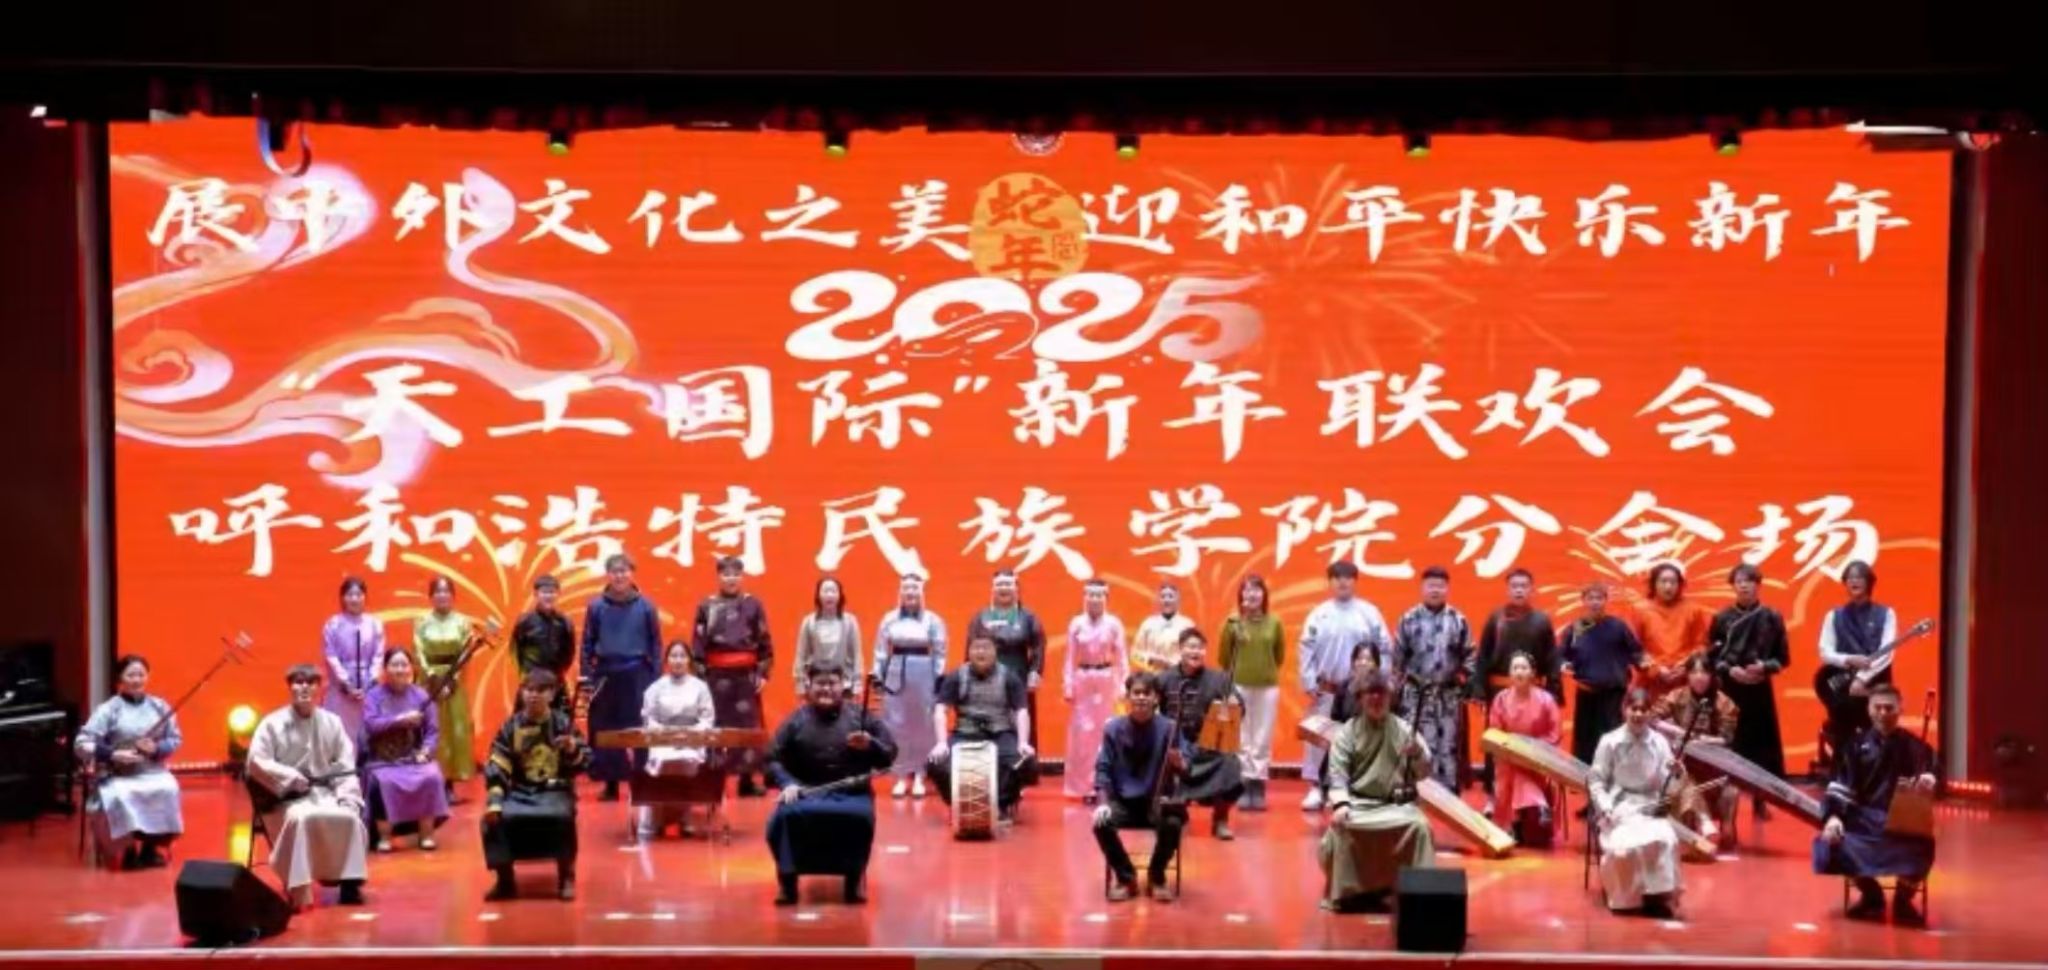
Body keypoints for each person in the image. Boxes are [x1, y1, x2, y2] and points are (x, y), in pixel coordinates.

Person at [766, 667, 898, 905]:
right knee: (784, 817)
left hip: (851, 793)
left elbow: (889, 754)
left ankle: (854, 878)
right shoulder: (796, 720)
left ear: (843, 685)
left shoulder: (861, 717)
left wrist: (871, 745)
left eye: (832, 683)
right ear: (809, 686)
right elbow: (772, 757)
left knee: (859, 816)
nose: (826, 689)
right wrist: (788, 784)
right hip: (805, 791)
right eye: (820, 683)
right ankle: (787, 882)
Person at [247, 664, 369, 909]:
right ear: (290, 687)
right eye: (298, 682)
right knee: (302, 819)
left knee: (349, 817)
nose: (304, 688)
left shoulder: (332, 723)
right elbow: (256, 762)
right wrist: (291, 778)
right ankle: (300, 890)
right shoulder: (271, 724)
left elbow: (345, 765)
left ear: (320, 688)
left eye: (310, 683)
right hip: (285, 799)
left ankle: (349, 882)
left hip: (324, 793)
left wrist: (348, 798)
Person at [1814, 684, 1937, 925]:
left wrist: (1930, 779)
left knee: (1923, 845)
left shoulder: (1916, 747)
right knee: (1830, 843)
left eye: (1889, 708)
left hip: (1902, 822)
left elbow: (1935, 775)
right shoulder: (1853, 746)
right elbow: (1840, 786)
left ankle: (1903, 899)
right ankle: (1871, 895)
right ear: (1869, 710)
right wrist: (1834, 817)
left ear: (1900, 710)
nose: (1883, 713)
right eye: (1877, 708)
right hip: (1863, 821)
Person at [1317, 671, 1434, 913]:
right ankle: (1348, 894)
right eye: (1371, 693)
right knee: (1341, 827)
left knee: (1420, 827)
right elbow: (1337, 775)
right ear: (1360, 698)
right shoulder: (1347, 733)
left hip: (1395, 804)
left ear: (1391, 698)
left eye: (1382, 693)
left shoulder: (1404, 730)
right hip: (1358, 804)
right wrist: (1341, 804)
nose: (1377, 699)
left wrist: (1417, 754)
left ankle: (1420, 895)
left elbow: (1423, 773)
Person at [482, 669, 589, 901]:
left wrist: (571, 749)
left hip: (555, 789)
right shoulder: (511, 726)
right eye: (529, 689)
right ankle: (505, 880)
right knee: (493, 819)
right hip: (520, 790)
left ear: (552, 694)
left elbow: (585, 764)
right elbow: (498, 762)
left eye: (540, 690)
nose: (533, 695)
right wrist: (495, 800)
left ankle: (566, 876)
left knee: (562, 816)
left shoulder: (563, 723)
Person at [1298, 562, 1392, 811]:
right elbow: (1306, 647)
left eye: (1348, 577)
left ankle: (1352, 788)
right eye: (1337, 578)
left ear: (1355, 581)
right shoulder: (1319, 614)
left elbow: (1384, 648)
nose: (1343, 582)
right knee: (1320, 740)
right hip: (1328, 689)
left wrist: (1381, 682)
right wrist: (1308, 680)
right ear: (1330, 582)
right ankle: (1315, 787)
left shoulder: (1369, 613)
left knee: (1357, 742)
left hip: (1361, 693)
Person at [1091, 672, 1191, 903]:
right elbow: (1103, 768)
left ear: (1156, 698)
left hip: (1157, 803)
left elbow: (1187, 769)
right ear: (1128, 697)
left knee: (1173, 823)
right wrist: (1103, 801)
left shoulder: (1170, 728)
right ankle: (1127, 878)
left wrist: (1180, 763)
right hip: (1124, 802)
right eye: (1136, 693)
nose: (1141, 698)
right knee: (1101, 823)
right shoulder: (1113, 728)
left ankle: (1157, 876)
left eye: (1147, 693)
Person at [77, 654, 183, 870]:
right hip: (117, 774)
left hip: (151, 771)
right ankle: (128, 850)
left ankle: (150, 849)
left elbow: (174, 739)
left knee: (168, 788)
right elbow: (82, 743)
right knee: (121, 795)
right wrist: (113, 754)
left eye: (141, 675)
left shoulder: (159, 706)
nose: (137, 680)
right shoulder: (108, 709)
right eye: (131, 675)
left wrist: (156, 748)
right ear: (120, 678)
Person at [1588, 688, 1683, 917]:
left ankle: (1657, 896)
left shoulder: (1660, 742)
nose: (1638, 714)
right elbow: (1596, 781)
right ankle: (1626, 899)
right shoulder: (1609, 741)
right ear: (1624, 710)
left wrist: (1676, 774)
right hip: (1619, 804)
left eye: (1644, 709)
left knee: (1665, 840)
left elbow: (1667, 785)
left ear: (1650, 713)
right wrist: (1605, 807)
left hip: (1650, 804)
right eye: (1634, 709)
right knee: (1624, 848)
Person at [1469, 568, 1561, 804]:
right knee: (1497, 743)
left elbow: (1552, 658)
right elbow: (1483, 656)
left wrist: (1554, 691)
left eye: (1524, 586)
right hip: (1500, 693)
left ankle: (1531, 798)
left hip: (1533, 696)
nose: (1519, 590)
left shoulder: (1541, 621)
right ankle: (1494, 795)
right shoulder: (1496, 619)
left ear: (1532, 590)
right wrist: (1478, 688)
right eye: (1514, 586)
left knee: (1530, 745)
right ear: (1507, 589)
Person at [1708, 563, 1792, 818]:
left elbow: (1783, 658)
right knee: (1730, 743)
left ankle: (1761, 799)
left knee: (1761, 746)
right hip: (1730, 690)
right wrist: (1729, 669)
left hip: (1759, 691)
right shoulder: (1722, 618)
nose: (1744, 585)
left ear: (1758, 584)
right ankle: (1725, 805)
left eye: (1749, 580)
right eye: (1739, 581)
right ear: (1733, 586)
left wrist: (1764, 667)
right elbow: (1712, 656)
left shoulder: (1772, 617)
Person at [926, 633, 1034, 823]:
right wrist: (941, 743)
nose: (981, 652)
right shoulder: (956, 676)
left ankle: (1001, 804)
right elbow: (940, 709)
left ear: (995, 651)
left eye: (986, 647)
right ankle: (958, 804)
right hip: (965, 733)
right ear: (969, 651)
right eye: (976, 647)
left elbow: (1021, 711)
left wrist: (1023, 742)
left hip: (1000, 732)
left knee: (1026, 762)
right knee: (936, 763)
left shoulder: (1009, 677)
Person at [581, 553, 663, 801]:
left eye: (624, 571)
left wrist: (656, 677)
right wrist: (587, 676)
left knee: (641, 728)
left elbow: (655, 644)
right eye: (615, 571)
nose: (620, 576)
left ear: (631, 574)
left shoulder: (646, 606)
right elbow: (587, 643)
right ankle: (611, 784)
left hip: (637, 673)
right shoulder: (596, 607)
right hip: (606, 673)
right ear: (608, 575)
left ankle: (642, 780)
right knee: (607, 729)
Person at [691, 555, 774, 797]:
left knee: (747, 727)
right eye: (726, 574)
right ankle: (713, 781)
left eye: (736, 574)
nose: (731, 579)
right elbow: (698, 643)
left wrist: (762, 673)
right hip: (715, 676)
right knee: (715, 727)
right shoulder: (706, 606)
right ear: (719, 577)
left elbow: (764, 640)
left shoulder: (753, 604)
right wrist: (700, 675)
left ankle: (746, 781)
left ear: (742, 576)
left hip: (745, 676)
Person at [1157, 628, 1246, 840]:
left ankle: (1220, 819)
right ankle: (1178, 816)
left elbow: (1240, 710)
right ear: (1180, 649)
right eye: (1190, 646)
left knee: (1230, 761)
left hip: (1208, 746)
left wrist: (1234, 706)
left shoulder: (1220, 679)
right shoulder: (1164, 679)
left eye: (1200, 647)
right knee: (1160, 756)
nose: (1195, 652)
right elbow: (1154, 713)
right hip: (1175, 744)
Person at [1391, 565, 1472, 791]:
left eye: (1440, 586)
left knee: (1449, 746)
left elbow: (1470, 657)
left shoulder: (1458, 620)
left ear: (1447, 589)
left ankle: (1448, 794)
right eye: (1430, 585)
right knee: (1416, 744)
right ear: (1422, 588)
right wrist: (1397, 694)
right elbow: (1397, 660)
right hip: (1415, 697)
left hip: (1448, 696)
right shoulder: (1408, 619)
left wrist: (1461, 683)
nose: (1435, 590)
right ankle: (1415, 791)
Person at [360, 648, 449, 852]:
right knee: (382, 781)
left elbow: (432, 731)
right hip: (384, 759)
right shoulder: (374, 696)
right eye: (394, 665)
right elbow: (371, 725)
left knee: (432, 776)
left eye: (404, 665)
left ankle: (426, 833)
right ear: (385, 668)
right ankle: (385, 836)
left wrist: (426, 751)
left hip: (412, 757)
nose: (400, 669)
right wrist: (400, 720)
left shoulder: (421, 695)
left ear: (411, 668)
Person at [1651, 655, 1741, 846]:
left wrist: (1702, 741)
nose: (1699, 677)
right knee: (1684, 780)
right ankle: (1702, 824)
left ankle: (1720, 827)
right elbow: (1652, 718)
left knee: (1730, 791)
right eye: (1694, 672)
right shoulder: (1676, 696)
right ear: (1688, 675)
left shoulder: (1724, 703)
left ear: (1711, 675)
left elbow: (1727, 738)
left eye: (1704, 672)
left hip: (1714, 767)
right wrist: (1678, 732)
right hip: (1684, 764)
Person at [874, 574, 947, 799]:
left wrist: (938, 677)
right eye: (906, 588)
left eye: (915, 588)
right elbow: (880, 651)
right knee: (897, 723)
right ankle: (900, 775)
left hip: (923, 670)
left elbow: (940, 651)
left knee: (923, 723)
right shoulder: (889, 619)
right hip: (896, 670)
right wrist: (878, 675)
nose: (910, 593)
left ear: (921, 592)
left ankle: (920, 775)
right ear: (900, 592)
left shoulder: (932, 620)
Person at [1816, 560, 1898, 761]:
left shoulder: (1886, 614)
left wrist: (1862, 678)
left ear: (1869, 582)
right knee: (1843, 737)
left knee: (1877, 737)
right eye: (1850, 578)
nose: (1854, 581)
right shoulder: (1833, 616)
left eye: (1859, 577)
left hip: (1874, 684)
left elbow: (1887, 652)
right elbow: (1825, 651)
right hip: (1844, 688)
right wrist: (1848, 659)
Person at [1561, 582, 1645, 765]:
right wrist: (1563, 664)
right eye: (1590, 598)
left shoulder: (1618, 627)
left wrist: (1645, 664)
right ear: (1583, 601)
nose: (1595, 602)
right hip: (1586, 692)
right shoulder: (1577, 628)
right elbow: (1561, 654)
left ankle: (1614, 773)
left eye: (1599, 598)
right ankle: (1580, 774)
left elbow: (1636, 652)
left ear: (1606, 600)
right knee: (1584, 739)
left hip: (1613, 694)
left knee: (1611, 737)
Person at [638, 640, 715, 839]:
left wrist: (689, 736)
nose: (678, 660)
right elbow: (649, 719)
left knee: (686, 760)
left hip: (691, 741)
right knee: (663, 760)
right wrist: (666, 735)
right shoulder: (655, 688)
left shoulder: (700, 687)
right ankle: (658, 819)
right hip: (662, 740)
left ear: (689, 660)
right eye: (674, 656)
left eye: (682, 656)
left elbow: (707, 719)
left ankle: (684, 818)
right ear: (667, 660)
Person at [1220, 574, 1284, 810]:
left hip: (1267, 687)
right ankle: (1244, 783)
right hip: (1239, 685)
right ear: (1241, 595)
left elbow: (1279, 655)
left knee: (1262, 736)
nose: (1252, 594)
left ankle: (1258, 784)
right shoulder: (1232, 622)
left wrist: (1263, 671)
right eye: (1247, 590)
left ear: (1264, 594)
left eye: (1257, 589)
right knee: (1242, 737)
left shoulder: (1274, 622)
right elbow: (1223, 657)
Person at [965, 569, 1048, 748]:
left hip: (1018, 675)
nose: (1004, 588)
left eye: (1008, 584)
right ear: (992, 588)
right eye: (999, 584)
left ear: (1016, 588)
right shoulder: (981, 617)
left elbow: (1038, 646)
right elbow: (970, 648)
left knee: (1020, 722)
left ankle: (1022, 760)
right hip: (986, 677)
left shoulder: (1027, 617)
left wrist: (1035, 671)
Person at [1063, 579, 1129, 801]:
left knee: (1108, 730)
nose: (1094, 599)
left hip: (1107, 679)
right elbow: (1070, 658)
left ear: (1105, 598)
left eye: (1099, 595)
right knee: (1082, 735)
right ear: (1085, 597)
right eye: (1090, 595)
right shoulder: (1076, 624)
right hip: (1083, 679)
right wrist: (1068, 685)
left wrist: (1124, 684)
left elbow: (1122, 657)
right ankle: (1083, 787)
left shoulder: (1114, 624)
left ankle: (1107, 784)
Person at [1486, 652, 1563, 842]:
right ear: (1510, 673)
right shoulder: (1501, 699)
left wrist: (1533, 749)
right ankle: (1535, 805)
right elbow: (1495, 730)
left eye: (1523, 668)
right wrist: (1509, 747)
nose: (1519, 672)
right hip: (1508, 754)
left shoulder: (1546, 700)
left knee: (1522, 771)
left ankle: (1523, 816)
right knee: (1513, 769)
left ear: (1533, 673)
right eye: (1515, 668)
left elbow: (1555, 732)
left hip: (1537, 756)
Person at [413, 575, 477, 787]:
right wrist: (432, 678)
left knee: (454, 729)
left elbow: (466, 653)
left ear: (453, 595)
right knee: (433, 728)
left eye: (446, 591)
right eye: (437, 591)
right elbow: (418, 651)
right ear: (431, 596)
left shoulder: (462, 622)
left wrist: (451, 681)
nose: (442, 595)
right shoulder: (421, 622)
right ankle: (431, 778)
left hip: (453, 683)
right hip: (430, 683)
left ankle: (450, 780)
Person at [321, 576, 385, 745]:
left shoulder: (374, 624)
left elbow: (378, 655)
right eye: (350, 595)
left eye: (358, 594)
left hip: (367, 686)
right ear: (343, 598)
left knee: (366, 734)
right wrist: (345, 683)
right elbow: (330, 655)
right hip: (340, 687)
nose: (354, 599)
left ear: (365, 597)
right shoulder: (333, 624)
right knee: (339, 733)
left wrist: (370, 682)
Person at [1632, 563, 1711, 693]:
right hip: (1649, 681)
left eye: (1673, 582)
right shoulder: (1640, 610)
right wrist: (1656, 669)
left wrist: (1686, 665)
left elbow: (1701, 645)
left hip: (1684, 679)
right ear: (1654, 584)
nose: (1668, 586)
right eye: (1663, 581)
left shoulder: (1693, 610)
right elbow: (1634, 648)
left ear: (1680, 585)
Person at [510, 575, 577, 713]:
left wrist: (556, 674)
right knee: (523, 724)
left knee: (563, 723)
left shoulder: (565, 623)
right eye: (545, 592)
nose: (549, 596)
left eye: (552, 592)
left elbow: (569, 653)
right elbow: (514, 651)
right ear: (536, 594)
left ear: (558, 594)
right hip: (531, 684)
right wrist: (525, 676)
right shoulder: (524, 621)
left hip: (556, 683)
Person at [794, 576, 862, 695]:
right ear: (818, 595)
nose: (829, 595)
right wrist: (799, 682)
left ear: (840, 595)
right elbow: (801, 654)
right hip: (815, 684)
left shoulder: (850, 622)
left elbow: (856, 654)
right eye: (825, 591)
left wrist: (858, 682)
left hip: (843, 684)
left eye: (833, 591)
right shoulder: (809, 622)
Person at [1131, 581, 1196, 674]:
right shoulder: (1148, 624)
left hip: (1177, 677)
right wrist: (1150, 660)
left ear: (1178, 600)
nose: (1166, 600)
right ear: (1158, 601)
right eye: (1163, 597)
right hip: (1151, 677)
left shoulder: (1187, 625)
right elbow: (1135, 654)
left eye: (1170, 596)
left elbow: (1193, 654)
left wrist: (1170, 664)